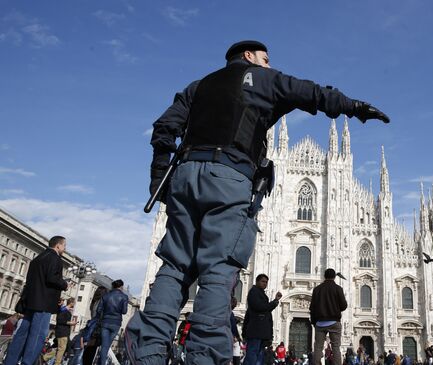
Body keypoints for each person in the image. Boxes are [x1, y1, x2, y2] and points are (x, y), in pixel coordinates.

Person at [125, 39, 389, 365]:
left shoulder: (199, 86)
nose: (268, 65)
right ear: (249, 57)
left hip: (185, 177)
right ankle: (203, 359)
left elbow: (164, 128)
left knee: (174, 268)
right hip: (229, 178)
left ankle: (147, 354)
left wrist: (159, 178)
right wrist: (352, 106)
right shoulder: (260, 79)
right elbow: (309, 92)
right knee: (219, 273)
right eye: (265, 60)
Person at [4, 236, 69, 365]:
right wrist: (64, 284)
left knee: (22, 334)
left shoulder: (37, 258)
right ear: (58, 246)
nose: (65, 248)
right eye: (64, 246)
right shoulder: (55, 258)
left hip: (31, 302)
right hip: (43, 303)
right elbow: (51, 278)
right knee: (38, 335)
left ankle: (10, 361)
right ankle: (27, 363)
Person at [310, 268, 347, 365]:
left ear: (324, 276)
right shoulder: (338, 289)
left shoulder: (317, 289)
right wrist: (335, 309)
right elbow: (344, 305)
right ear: (334, 277)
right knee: (335, 347)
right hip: (334, 322)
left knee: (318, 347)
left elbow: (312, 308)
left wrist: (314, 322)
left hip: (320, 322)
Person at [243, 274, 282, 365]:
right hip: (256, 330)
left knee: (258, 356)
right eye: (263, 281)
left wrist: (275, 300)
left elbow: (264, 309)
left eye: (266, 282)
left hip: (261, 331)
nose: (265, 284)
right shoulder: (254, 292)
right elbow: (260, 307)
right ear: (257, 282)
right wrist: (274, 302)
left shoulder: (260, 293)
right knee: (252, 355)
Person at [98, 279, 128, 365]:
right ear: (121, 287)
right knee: (107, 346)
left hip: (105, 322)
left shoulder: (106, 296)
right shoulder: (124, 297)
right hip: (116, 323)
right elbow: (124, 311)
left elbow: (99, 310)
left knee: (104, 345)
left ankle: (101, 363)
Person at [54, 298, 77, 365]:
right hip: (62, 332)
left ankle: (45, 357)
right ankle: (56, 363)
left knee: (60, 349)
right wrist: (70, 323)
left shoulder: (65, 310)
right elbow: (60, 320)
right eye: (74, 303)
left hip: (64, 333)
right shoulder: (63, 310)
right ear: (71, 303)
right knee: (61, 349)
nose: (74, 304)